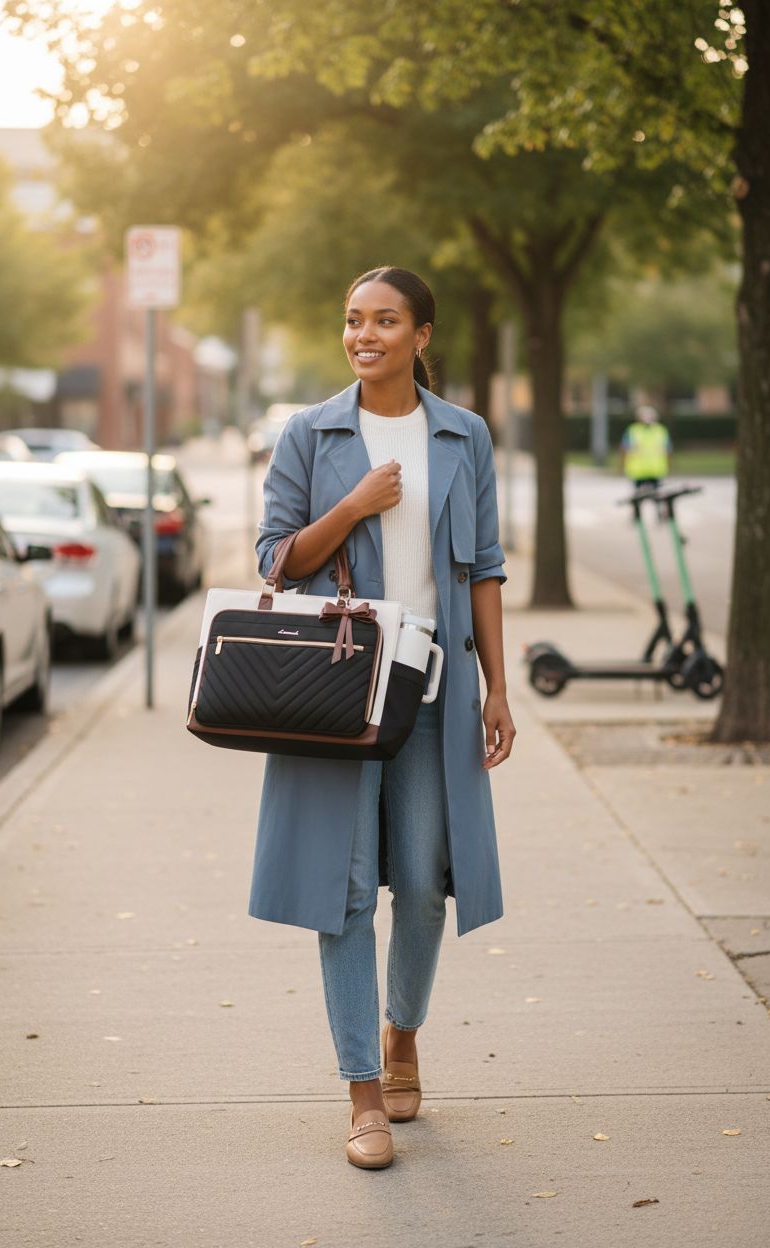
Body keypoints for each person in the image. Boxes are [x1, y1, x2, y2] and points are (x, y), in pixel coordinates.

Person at [251, 266, 516, 1170]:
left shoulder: (464, 435)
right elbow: (276, 560)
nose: (365, 334)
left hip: (436, 689)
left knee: (426, 888)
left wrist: (499, 688)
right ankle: (363, 1091)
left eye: (386, 320)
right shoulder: (310, 432)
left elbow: (483, 567)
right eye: (354, 320)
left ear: (422, 336)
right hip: (337, 690)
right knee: (346, 892)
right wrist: (354, 506)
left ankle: (404, 1033)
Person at [619, 404, 673, 489]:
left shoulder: (661, 430)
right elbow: (624, 448)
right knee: (638, 495)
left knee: (656, 494)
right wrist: (621, 466)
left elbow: (668, 449)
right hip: (637, 470)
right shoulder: (633, 430)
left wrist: (669, 466)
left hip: (656, 469)